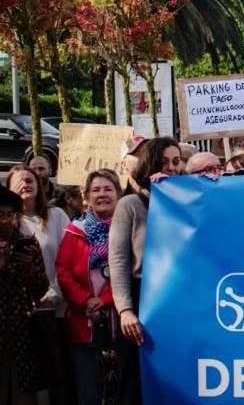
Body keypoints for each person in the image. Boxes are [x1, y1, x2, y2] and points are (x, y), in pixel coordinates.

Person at [109, 136, 181, 405]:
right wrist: (126, 310)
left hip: (177, 299)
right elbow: (117, 261)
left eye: (176, 161)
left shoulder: (186, 202)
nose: (172, 168)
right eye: (164, 162)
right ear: (150, 164)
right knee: (136, 381)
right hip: (142, 299)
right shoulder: (130, 206)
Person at [8, 164, 73, 404]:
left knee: (56, 369)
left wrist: (54, 291)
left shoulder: (56, 215)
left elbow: (69, 257)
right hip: (20, 310)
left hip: (55, 306)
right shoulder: (7, 222)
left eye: (30, 179)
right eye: (19, 181)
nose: (25, 184)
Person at [55, 169, 121, 405]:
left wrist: (104, 301)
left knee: (120, 390)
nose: (102, 194)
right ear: (86, 196)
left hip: (121, 323)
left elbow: (130, 272)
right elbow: (63, 270)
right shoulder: (75, 231)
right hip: (84, 323)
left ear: (118, 193)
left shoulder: (128, 229)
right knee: (89, 392)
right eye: (96, 190)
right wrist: (86, 302)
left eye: (107, 189)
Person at [0, 185, 49, 405]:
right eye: (0, 215)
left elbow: (40, 289)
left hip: (21, 333)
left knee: (23, 396)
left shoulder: (27, 244)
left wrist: (29, 268)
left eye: (10, 215)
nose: (5, 221)